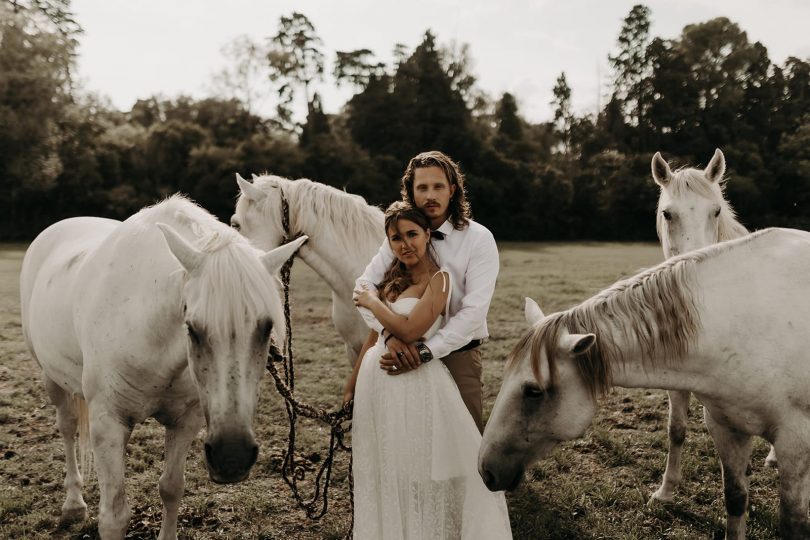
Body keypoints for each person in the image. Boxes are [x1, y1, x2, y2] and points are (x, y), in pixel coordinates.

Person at [344, 201, 511, 540]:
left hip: (417, 379)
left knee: (425, 458)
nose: (404, 244)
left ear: (427, 236)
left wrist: (373, 302)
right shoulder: (392, 278)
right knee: (388, 462)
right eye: (395, 238)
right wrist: (351, 385)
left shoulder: (440, 279)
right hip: (376, 381)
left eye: (411, 235)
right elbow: (376, 335)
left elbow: (410, 330)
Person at [354, 150, 499, 433]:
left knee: (464, 443)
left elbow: (474, 312)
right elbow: (363, 287)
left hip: (457, 354)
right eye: (422, 187)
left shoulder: (478, 239)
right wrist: (388, 335)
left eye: (438, 186)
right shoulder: (400, 233)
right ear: (411, 191)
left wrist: (424, 351)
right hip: (399, 353)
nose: (430, 195)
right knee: (409, 437)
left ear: (452, 189)